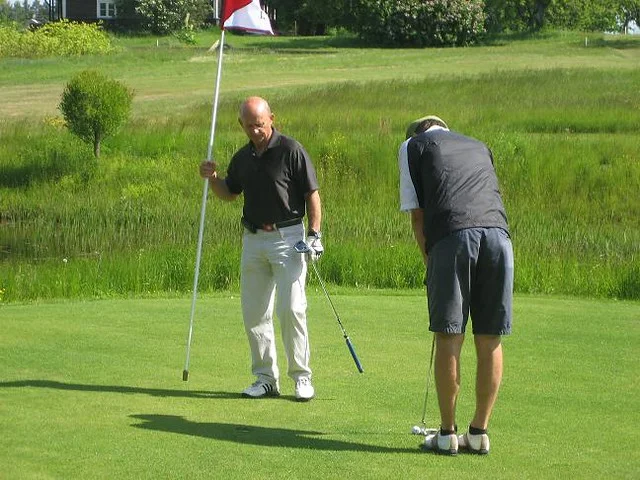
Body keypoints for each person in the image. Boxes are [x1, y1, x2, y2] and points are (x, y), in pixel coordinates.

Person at [398, 115, 514, 455]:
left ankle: (447, 434)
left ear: (416, 133)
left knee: (449, 335)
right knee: (490, 336)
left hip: (453, 237)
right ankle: (478, 433)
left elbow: (417, 216)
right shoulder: (478, 145)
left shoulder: (412, 146)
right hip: (499, 238)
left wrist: (430, 263)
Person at [199, 96, 323, 401]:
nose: (255, 130)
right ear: (241, 124)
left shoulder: (291, 150)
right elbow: (230, 192)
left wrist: (314, 234)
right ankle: (266, 379)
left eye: (260, 124)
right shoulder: (243, 158)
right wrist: (212, 179)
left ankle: (302, 378)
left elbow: (312, 194)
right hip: (253, 239)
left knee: (291, 309)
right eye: (249, 125)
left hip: (288, 237)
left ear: (271, 119)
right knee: (254, 313)